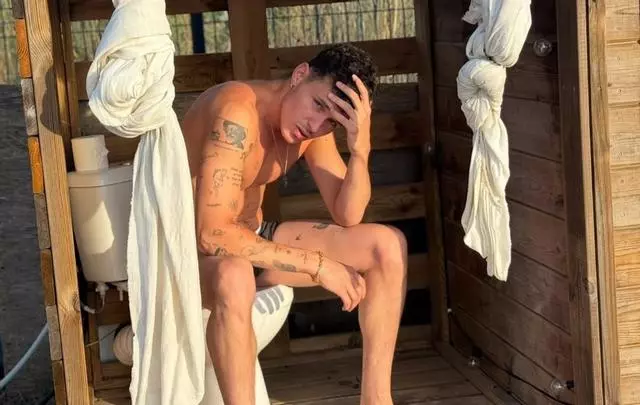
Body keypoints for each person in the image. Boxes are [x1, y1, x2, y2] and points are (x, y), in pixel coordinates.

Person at [181, 43, 408, 405]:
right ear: (300, 75)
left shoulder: (311, 129)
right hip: (188, 255)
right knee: (234, 275)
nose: (316, 126)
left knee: (387, 246)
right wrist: (317, 265)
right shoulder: (236, 111)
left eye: (331, 121)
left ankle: (377, 400)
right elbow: (212, 233)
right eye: (317, 105)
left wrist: (360, 149)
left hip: (250, 243)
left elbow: (348, 214)